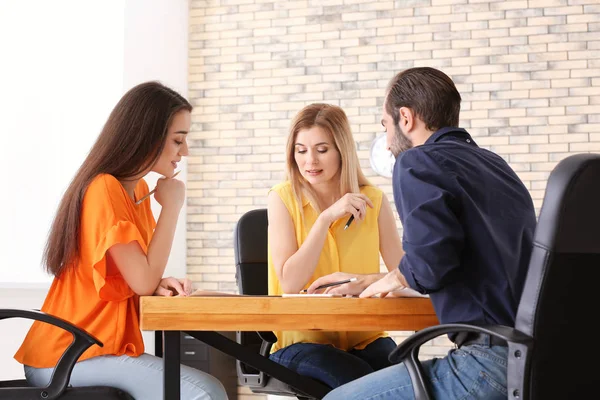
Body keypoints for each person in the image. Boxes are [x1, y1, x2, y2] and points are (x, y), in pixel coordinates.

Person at [322, 67, 538, 399]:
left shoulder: (417, 161)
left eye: (385, 124)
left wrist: (395, 279)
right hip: (532, 361)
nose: (387, 137)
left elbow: (432, 263)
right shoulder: (494, 165)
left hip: (486, 364)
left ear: (405, 118)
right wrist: (383, 277)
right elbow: (470, 263)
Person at [14, 82, 228, 400]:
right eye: (178, 140)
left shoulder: (137, 191)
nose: (185, 152)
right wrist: (171, 207)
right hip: (68, 355)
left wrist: (157, 282)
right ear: (148, 136)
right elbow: (142, 280)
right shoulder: (105, 189)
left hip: (91, 351)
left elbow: (139, 277)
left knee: (203, 389)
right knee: (205, 393)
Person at [267, 103, 405, 389]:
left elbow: (404, 275)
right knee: (356, 380)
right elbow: (290, 283)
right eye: (301, 150)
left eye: (322, 149)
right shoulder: (282, 199)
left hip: (364, 337)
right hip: (300, 342)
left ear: (342, 150)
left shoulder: (374, 201)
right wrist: (325, 219)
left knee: (410, 383)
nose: (310, 162)